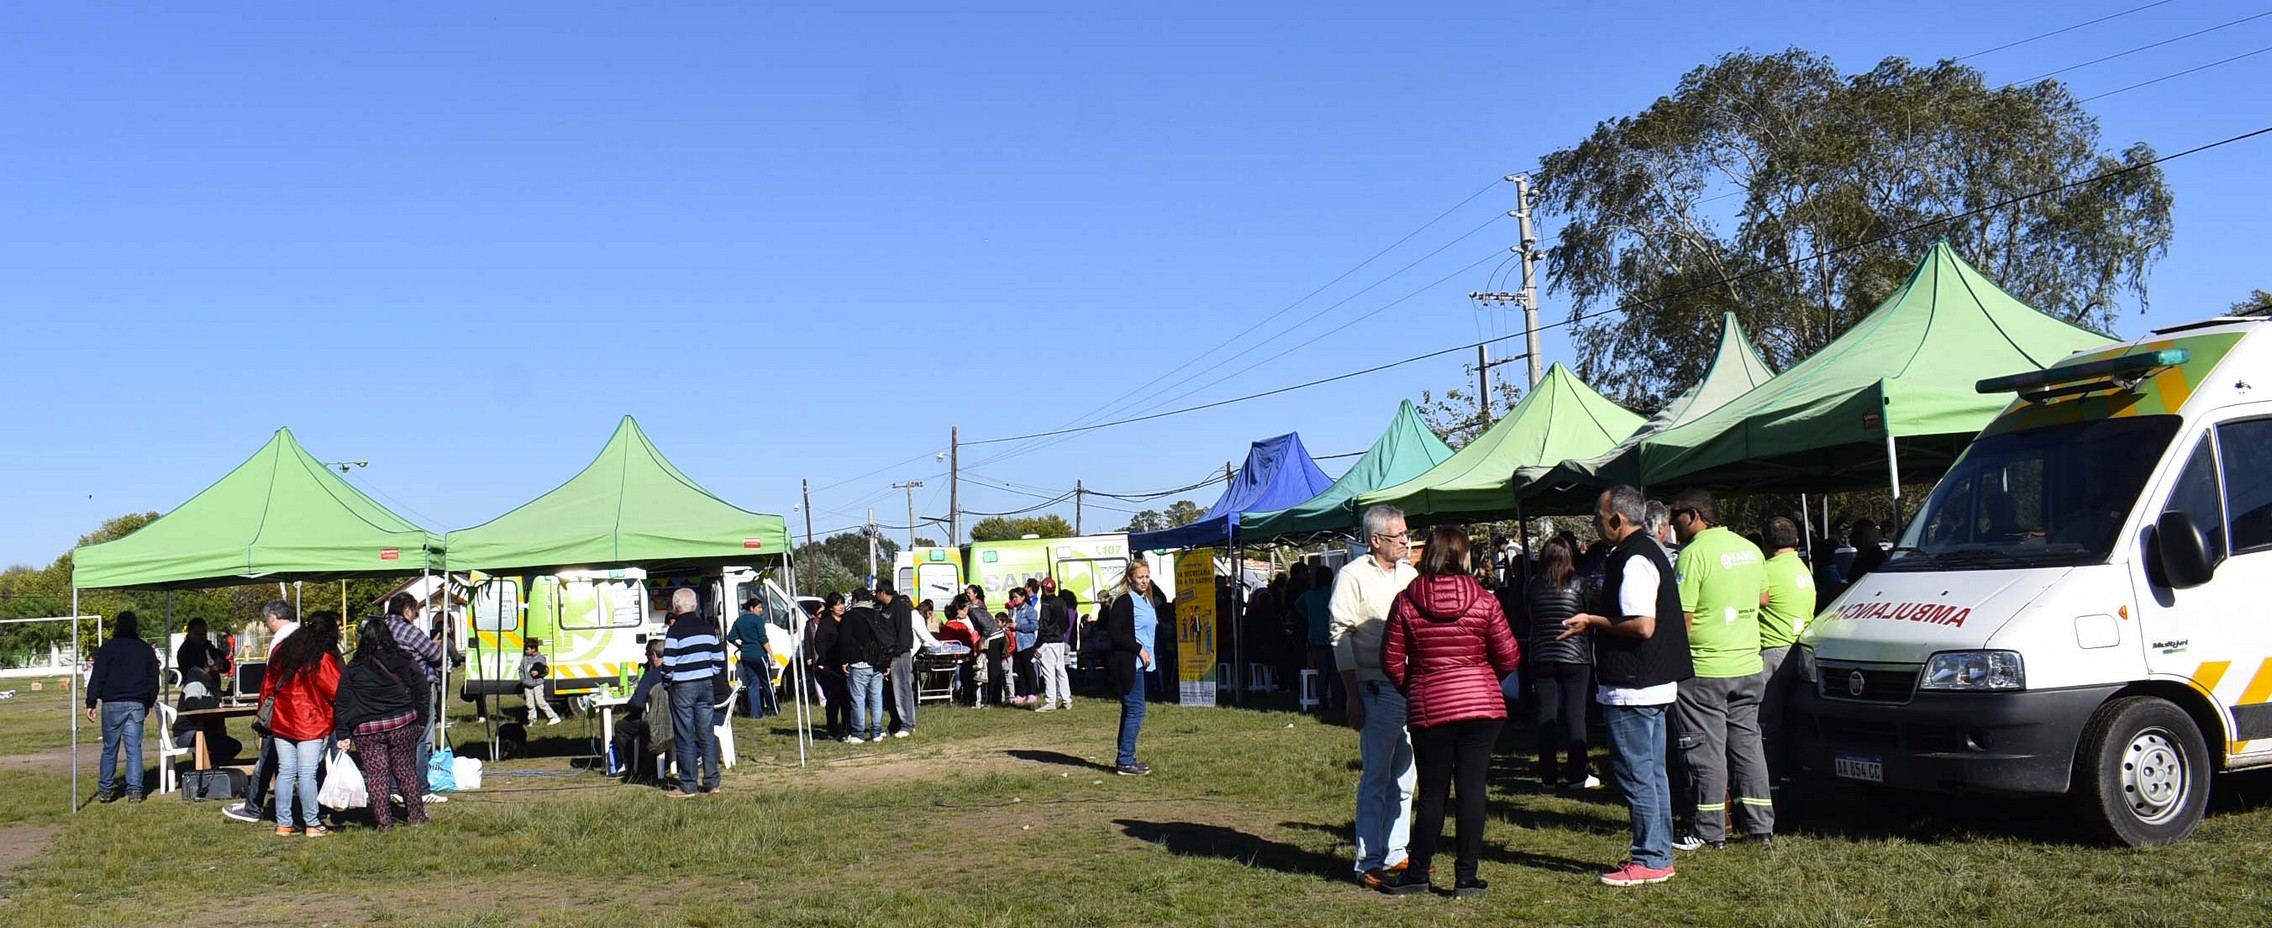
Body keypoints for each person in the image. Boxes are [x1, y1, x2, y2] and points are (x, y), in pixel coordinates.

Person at [1559, 485, 1693, 887]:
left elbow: (1642, 624)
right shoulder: (1648, 550)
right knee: (1652, 773)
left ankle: (1650, 856)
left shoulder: (1634, 558)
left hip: (1634, 684)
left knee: (1637, 774)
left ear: (1617, 519)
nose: (1595, 524)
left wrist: (1592, 620)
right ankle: (1658, 851)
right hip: (1651, 682)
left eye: (1598, 518)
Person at [1377, 527, 1522, 898]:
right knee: (1472, 790)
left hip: (1430, 705)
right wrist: (1483, 681)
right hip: (1481, 706)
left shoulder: (1406, 601)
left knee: (1432, 793)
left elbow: (1391, 661)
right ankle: (1466, 878)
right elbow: (1509, 655)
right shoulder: (1485, 600)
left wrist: (1415, 688)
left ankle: (1418, 873)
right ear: (1464, 556)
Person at [1667, 488, 1773, 852]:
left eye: (1675, 514)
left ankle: (1709, 830)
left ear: (1694, 515)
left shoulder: (1693, 555)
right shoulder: (1750, 549)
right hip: (1748, 664)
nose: (1672, 522)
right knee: (1748, 745)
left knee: (1704, 750)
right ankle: (1760, 826)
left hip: (1706, 668)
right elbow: (1763, 597)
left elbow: (1683, 618)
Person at [1331, 504, 1421, 890]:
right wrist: (1352, 694)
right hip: (1374, 686)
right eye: (1398, 535)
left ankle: (1396, 852)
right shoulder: (1352, 576)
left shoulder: (1410, 574)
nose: (1406, 540)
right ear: (1375, 539)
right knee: (1377, 777)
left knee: (1406, 776)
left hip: (1410, 686)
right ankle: (1368, 859)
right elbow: (1340, 634)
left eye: (1406, 534)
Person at [332, 618, 429, 832]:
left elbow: (343, 701)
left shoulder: (354, 667)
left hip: (367, 728)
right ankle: (417, 817)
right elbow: (422, 689)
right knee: (406, 771)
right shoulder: (404, 659)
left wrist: (343, 733)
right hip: (402, 722)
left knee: (377, 776)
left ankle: (384, 823)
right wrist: (422, 718)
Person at [261, 611, 342, 836]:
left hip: (282, 718)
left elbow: (267, 685)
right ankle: (312, 823)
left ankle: (283, 823)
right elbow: (335, 689)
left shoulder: (282, 651)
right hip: (311, 721)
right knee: (307, 774)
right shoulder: (320, 657)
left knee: (285, 771)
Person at [1527, 535, 1597, 790]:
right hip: (1574, 655)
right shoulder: (1579, 583)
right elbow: (1588, 613)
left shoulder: (1533, 584)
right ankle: (1577, 774)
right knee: (1575, 715)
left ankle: (1548, 776)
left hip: (1542, 654)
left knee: (1546, 715)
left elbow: (1530, 616)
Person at [223, 600, 300, 823]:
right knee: (308, 766)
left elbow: (270, 680)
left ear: (272, 618)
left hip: (282, 711)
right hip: (309, 713)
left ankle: (254, 807)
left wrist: (262, 710)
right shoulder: (307, 638)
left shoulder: (280, 642)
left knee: (268, 761)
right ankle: (314, 810)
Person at [1757, 516, 1817, 782]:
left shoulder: (1765, 571)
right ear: (1797, 541)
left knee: (1766, 723)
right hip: (1800, 648)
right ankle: (1795, 773)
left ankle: (1770, 780)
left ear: (1765, 543)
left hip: (1771, 650)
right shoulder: (1803, 569)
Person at [378, 594, 447, 803]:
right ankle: (421, 789)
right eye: (415, 610)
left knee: (392, 740)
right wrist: (434, 644)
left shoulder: (380, 629)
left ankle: (393, 787)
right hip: (416, 689)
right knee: (419, 739)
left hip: (385, 691)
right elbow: (435, 655)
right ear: (407, 610)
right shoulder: (408, 630)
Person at [86, 611, 159, 804]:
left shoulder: (107, 648)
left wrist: (91, 702)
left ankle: (106, 790)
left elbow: (98, 677)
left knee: (110, 748)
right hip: (136, 703)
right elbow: (153, 679)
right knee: (134, 748)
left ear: (117, 626)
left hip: (111, 703)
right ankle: (135, 790)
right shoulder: (145, 649)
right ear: (136, 627)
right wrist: (149, 702)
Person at [1104, 562, 1169, 775]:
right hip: (1129, 663)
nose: (1144, 581)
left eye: (1147, 576)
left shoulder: (1146, 599)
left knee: (1132, 710)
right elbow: (1115, 632)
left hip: (1142, 663)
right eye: (1140, 577)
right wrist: (1139, 649)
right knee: (1136, 710)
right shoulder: (1125, 600)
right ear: (1130, 578)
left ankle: (1126, 757)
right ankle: (1125, 761)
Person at [661, 588, 726, 797]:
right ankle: (712, 782)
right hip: (705, 684)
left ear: (674, 606)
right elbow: (719, 659)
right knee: (706, 733)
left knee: (685, 735)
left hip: (683, 686)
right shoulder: (708, 628)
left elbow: (668, 664)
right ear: (695, 605)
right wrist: (709, 673)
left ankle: (688, 784)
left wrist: (667, 681)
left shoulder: (675, 631)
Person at [838, 589, 890, 744]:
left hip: (858, 663)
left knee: (858, 699)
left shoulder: (850, 616)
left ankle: (858, 734)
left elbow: (844, 640)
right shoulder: (878, 615)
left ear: (855, 600)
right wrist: (886, 663)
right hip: (877, 664)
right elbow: (886, 640)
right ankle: (876, 732)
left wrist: (844, 661)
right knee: (876, 698)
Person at [619, 640, 675, 778]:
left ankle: (630, 765)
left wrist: (629, 707)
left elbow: (637, 703)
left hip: (655, 722)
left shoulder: (651, 676)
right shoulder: (678, 672)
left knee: (621, 726)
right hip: (677, 719)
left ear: (654, 655)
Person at [1296, 565, 1342, 713]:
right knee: (1335, 670)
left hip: (1315, 635)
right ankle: (1337, 700)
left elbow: (1297, 604)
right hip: (1333, 634)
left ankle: (1322, 701)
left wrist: (1308, 615)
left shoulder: (1309, 594)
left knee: (1322, 670)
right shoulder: (1334, 592)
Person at [875, 583, 917, 738]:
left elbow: (904, 635)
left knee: (902, 691)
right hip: (886, 657)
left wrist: (896, 653)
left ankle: (908, 725)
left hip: (899, 656)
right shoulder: (883, 609)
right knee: (890, 694)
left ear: (882, 592)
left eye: (877, 592)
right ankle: (895, 724)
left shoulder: (901, 608)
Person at [808, 593, 850, 740]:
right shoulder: (826, 624)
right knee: (833, 700)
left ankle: (847, 728)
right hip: (831, 667)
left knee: (847, 700)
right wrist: (825, 663)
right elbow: (819, 644)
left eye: (842, 603)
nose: (841, 607)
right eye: (838, 604)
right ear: (831, 607)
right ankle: (832, 730)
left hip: (845, 666)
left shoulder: (846, 621)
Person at [726, 598, 776, 720]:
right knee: (767, 682)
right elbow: (763, 639)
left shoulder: (739, 621)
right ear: (751, 608)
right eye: (759, 607)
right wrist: (771, 654)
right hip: (759, 654)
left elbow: (730, 637)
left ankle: (755, 713)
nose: (761, 610)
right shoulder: (758, 620)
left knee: (753, 684)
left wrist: (740, 645)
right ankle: (773, 709)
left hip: (746, 656)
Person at [1033, 588, 1075, 711]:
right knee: (1061, 670)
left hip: (1048, 642)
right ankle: (1067, 700)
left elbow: (1043, 624)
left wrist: (1038, 643)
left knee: (1048, 672)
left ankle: (1050, 701)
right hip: (1059, 641)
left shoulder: (1046, 604)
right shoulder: (1061, 602)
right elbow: (1066, 623)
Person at [517, 638, 562, 726]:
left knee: (540, 702)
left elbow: (546, 670)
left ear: (533, 649)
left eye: (527, 649)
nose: (526, 651)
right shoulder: (525, 659)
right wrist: (523, 680)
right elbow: (520, 670)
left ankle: (553, 717)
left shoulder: (541, 658)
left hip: (537, 684)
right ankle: (532, 720)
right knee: (529, 703)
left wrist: (538, 673)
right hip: (527, 685)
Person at [1006, 587, 1039, 705]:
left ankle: (1032, 692)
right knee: (1019, 669)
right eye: (1013, 597)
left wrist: (1018, 626)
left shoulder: (1030, 610)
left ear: (1023, 597)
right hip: (1015, 643)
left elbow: (1034, 625)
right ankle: (1021, 693)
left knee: (1028, 669)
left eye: (1016, 597)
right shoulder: (1013, 610)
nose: (1014, 599)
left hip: (1026, 643)